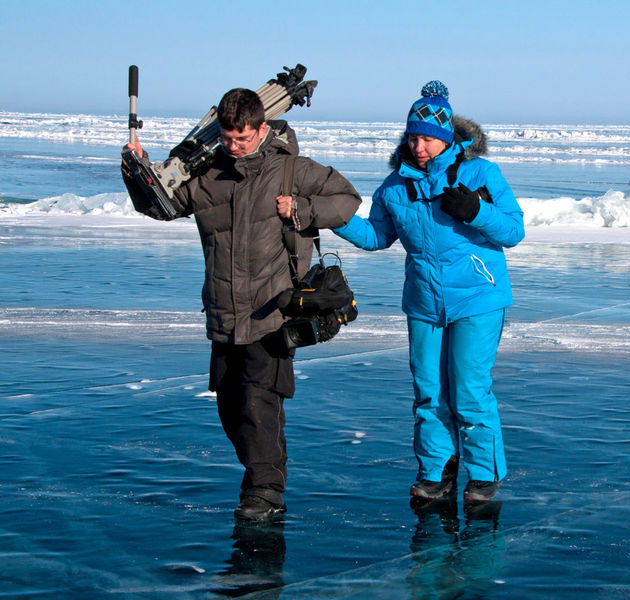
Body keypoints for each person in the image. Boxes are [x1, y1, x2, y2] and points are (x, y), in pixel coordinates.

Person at [121, 88, 361, 521]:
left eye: (243, 139)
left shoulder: (292, 170)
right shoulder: (210, 174)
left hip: (272, 309)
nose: (234, 147)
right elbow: (160, 206)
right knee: (230, 404)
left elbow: (347, 199)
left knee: (259, 401)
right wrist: (136, 172)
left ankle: (265, 492)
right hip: (222, 309)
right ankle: (261, 477)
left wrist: (301, 209)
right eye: (228, 138)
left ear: (262, 129)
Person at [324, 80, 524, 502]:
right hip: (424, 301)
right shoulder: (396, 187)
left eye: (429, 138)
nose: (419, 146)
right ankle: (438, 470)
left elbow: (514, 231)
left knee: (469, 389)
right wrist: (334, 218)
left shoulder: (480, 173)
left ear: (447, 137)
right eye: (414, 137)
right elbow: (377, 235)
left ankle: (485, 473)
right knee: (429, 390)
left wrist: (476, 210)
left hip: (478, 296)